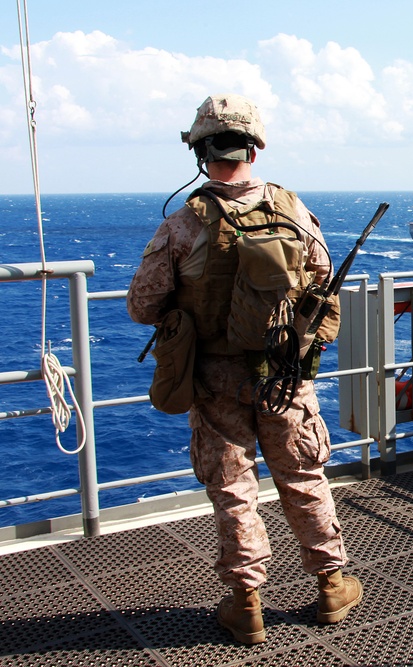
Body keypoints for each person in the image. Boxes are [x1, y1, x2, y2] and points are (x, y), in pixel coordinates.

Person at [127, 93, 362, 645]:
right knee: (303, 475)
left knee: (234, 488)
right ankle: (331, 587)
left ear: (201, 151)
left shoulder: (183, 225)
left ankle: (246, 602)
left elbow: (142, 304)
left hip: (215, 376)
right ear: (255, 147)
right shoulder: (293, 210)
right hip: (284, 373)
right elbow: (322, 278)